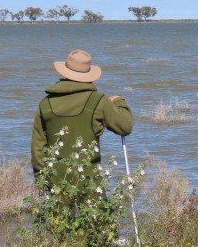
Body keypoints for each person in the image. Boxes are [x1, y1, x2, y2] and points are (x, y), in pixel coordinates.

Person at [31, 49, 134, 178]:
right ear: (88, 74)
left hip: (54, 182)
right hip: (88, 183)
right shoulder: (99, 101)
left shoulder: (45, 103)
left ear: (65, 72)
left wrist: (40, 176)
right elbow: (125, 126)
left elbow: (38, 146)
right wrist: (119, 101)